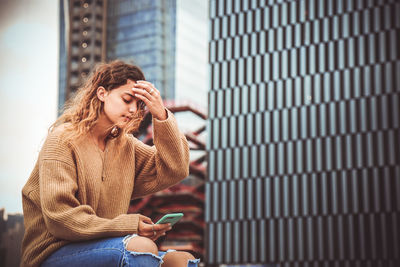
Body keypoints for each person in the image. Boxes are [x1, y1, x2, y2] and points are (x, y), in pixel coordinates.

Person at [20, 60, 199, 267]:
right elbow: (61, 219)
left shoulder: (126, 146)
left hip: (106, 245)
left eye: (139, 104)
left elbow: (175, 168)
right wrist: (129, 226)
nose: (133, 110)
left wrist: (161, 114)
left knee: (182, 260)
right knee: (141, 247)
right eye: (127, 99)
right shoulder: (62, 140)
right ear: (102, 93)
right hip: (53, 252)